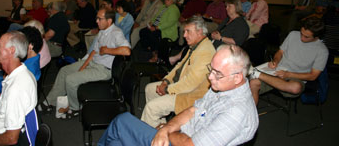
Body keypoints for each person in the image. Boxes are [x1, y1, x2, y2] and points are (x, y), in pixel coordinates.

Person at [98, 45, 259, 146]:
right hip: (178, 137)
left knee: (121, 121)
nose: (210, 77)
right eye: (211, 69)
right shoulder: (223, 86)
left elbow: (190, 144)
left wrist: (165, 132)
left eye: (217, 73)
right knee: (117, 142)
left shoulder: (236, 112)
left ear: (237, 77)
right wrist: (166, 127)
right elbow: (193, 110)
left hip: (181, 142)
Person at [41, 9, 131, 117]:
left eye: (99, 19)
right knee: (64, 71)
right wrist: (83, 66)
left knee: (71, 80)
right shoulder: (102, 31)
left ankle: (76, 108)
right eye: (96, 18)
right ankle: (50, 101)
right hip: (93, 63)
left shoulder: (116, 33)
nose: (97, 21)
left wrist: (107, 50)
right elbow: (94, 52)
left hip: (103, 70)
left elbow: (127, 51)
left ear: (109, 20)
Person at [141, 16, 216, 127]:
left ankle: (152, 138)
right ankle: (160, 127)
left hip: (191, 96)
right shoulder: (196, 45)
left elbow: (191, 84)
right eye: (184, 31)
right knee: (149, 89)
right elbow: (178, 67)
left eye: (188, 31)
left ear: (199, 32)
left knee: (151, 108)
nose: (184, 35)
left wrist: (167, 89)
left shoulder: (206, 52)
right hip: (180, 85)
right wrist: (166, 81)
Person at [249, 17, 328, 105]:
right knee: (253, 83)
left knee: (295, 88)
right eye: (301, 33)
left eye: (306, 37)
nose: (302, 38)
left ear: (316, 36)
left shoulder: (322, 51)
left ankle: (258, 74)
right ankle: (251, 115)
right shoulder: (293, 34)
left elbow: (313, 76)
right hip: (278, 71)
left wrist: (288, 74)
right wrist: (276, 61)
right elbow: (280, 52)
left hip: (297, 77)